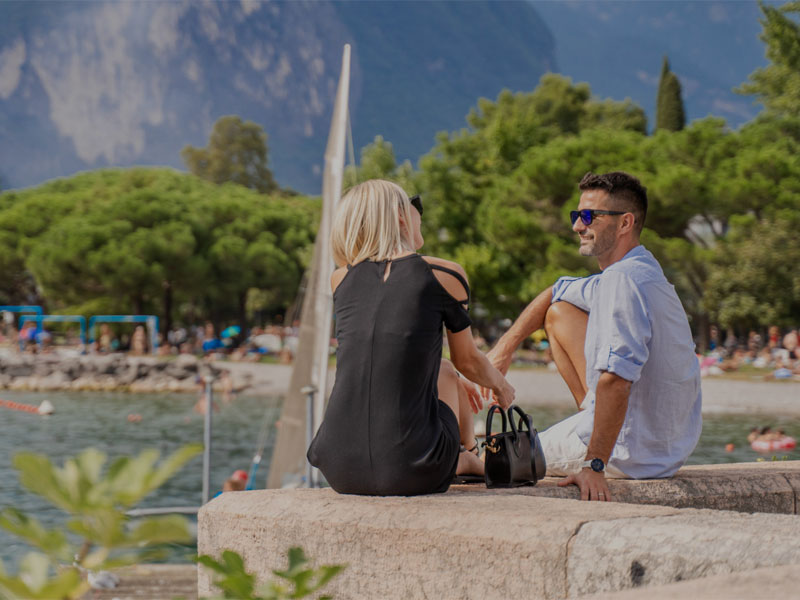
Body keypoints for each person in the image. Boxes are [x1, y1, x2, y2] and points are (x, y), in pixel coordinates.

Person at [487, 171, 702, 502]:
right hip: (668, 447)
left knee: (490, 458)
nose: (577, 226)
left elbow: (617, 380)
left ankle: (589, 441)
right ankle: (588, 422)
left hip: (632, 454)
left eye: (588, 216)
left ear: (624, 223)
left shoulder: (621, 282)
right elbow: (556, 290)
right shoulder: (640, 270)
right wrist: (503, 351)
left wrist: (594, 465)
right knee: (559, 311)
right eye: (576, 215)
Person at [307, 179, 515, 496]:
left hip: (339, 469)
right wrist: (501, 386)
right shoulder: (445, 274)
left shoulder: (341, 278)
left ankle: (465, 455)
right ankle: (469, 459)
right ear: (401, 217)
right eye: (415, 205)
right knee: (446, 370)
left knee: (444, 371)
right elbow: (468, 360)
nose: (421, 214)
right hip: (411, 471)